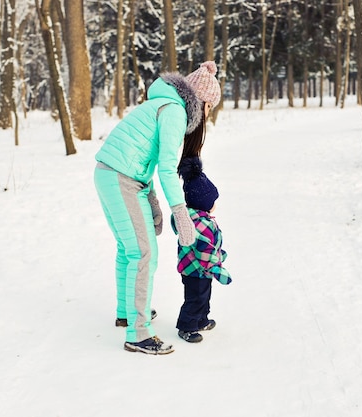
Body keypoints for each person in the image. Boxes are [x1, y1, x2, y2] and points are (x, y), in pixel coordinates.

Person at [93, 61, 222, 355]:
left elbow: (142, 156)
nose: (207, 115)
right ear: (200, 101)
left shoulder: (162, 103)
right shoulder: (175, 111)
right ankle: (138, 333)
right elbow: (165, 167)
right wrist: (180, 213)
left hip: (109, 173)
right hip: (121, 178)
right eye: (209, 107)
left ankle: (127, 312)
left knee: (129, 249)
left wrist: (150, 198)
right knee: (143, 252)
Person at [172, 156, 232, 344]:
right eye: (213, 200)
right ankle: (187, 326)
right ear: (203, 202)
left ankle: (201, 320)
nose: (215, 204)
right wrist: (216, 268)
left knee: (203, 296)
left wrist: (218, 255)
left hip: (194, 268)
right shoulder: (200, 224)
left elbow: (209, 246)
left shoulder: (192, 219)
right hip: (197, 269)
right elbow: (204, 251)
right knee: (196, 298)